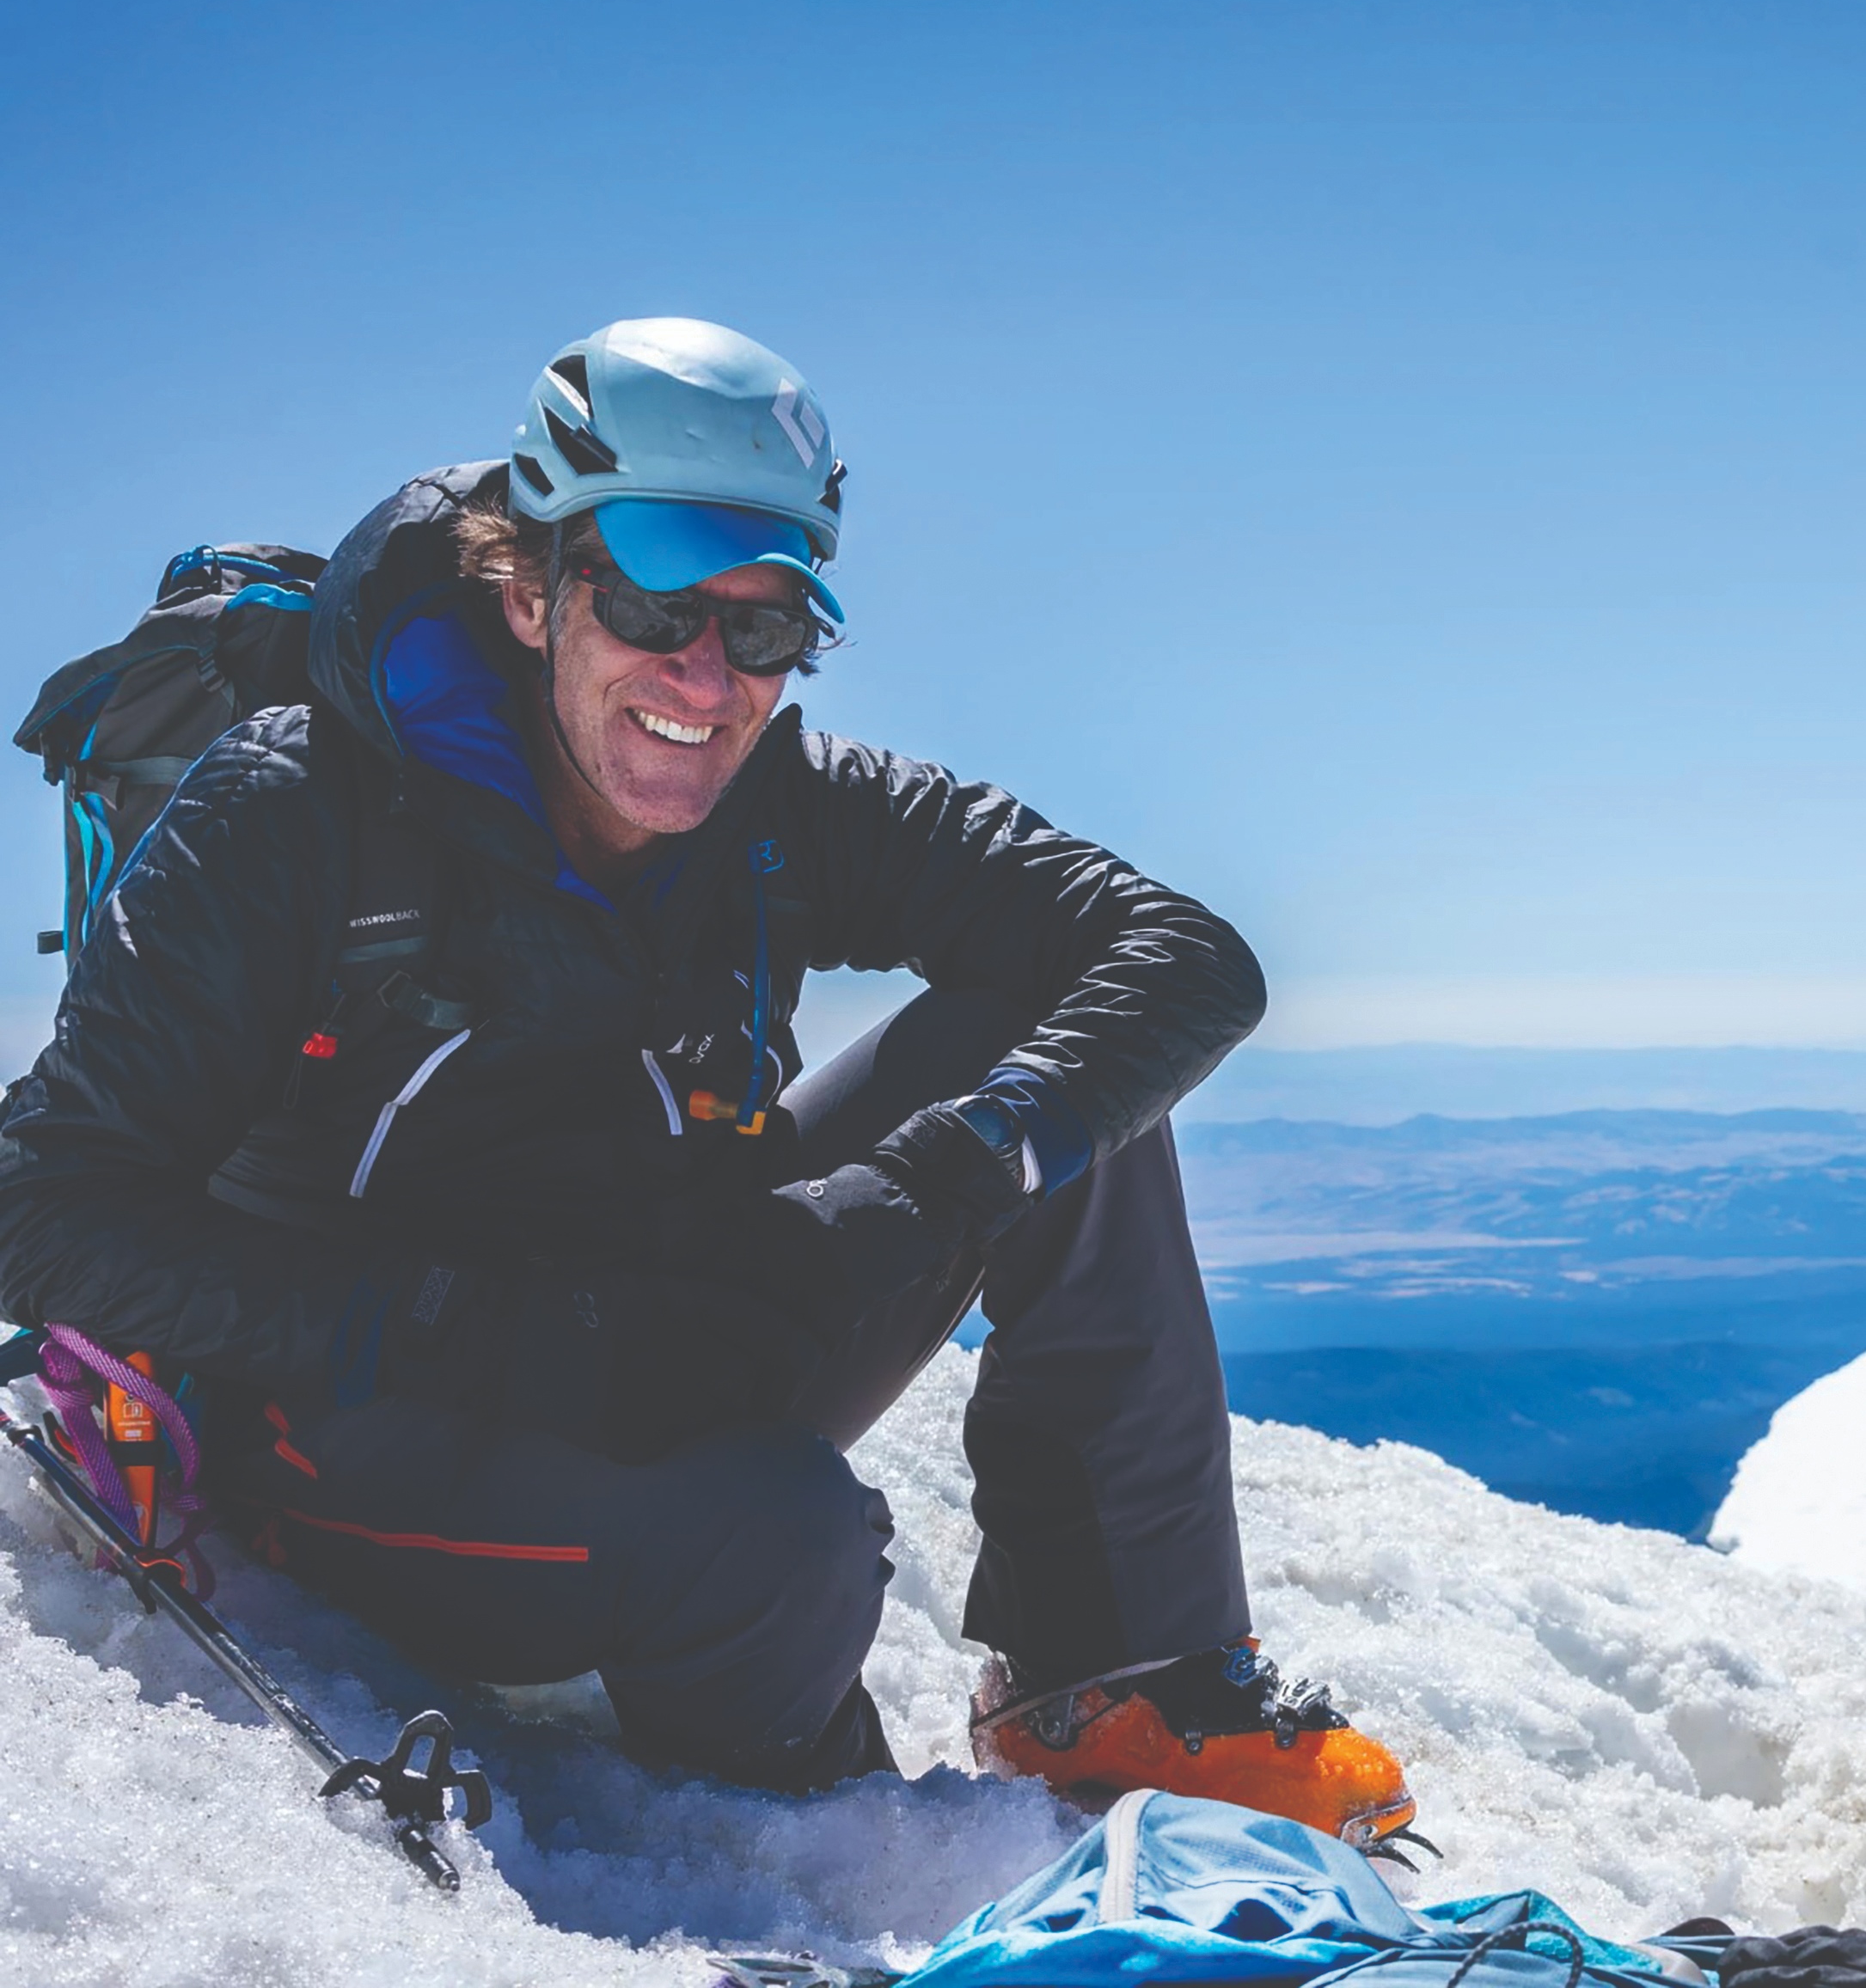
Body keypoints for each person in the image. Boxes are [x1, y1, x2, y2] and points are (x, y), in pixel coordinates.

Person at [0, 318, 1416, 1844]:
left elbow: (1184, 954)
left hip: (660, 1318)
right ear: (532, 588)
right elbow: (42, 1209)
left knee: (1050, 1057)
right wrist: (465, 1325)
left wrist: (912, 1194)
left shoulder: (784, 805)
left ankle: (1113, 1682)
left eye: (765, 623)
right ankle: (786, 1834)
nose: (706, 671)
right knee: (779, 1544)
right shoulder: (300, 809)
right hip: (341, 1413)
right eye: (652, 596)